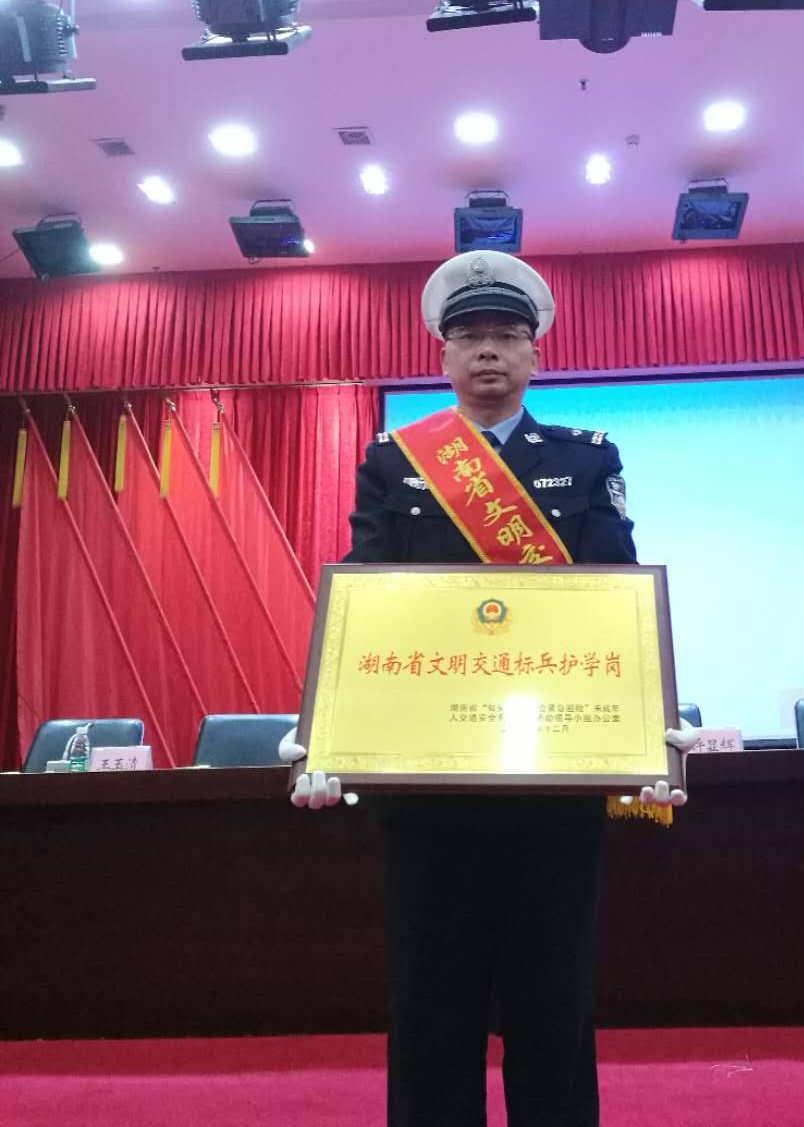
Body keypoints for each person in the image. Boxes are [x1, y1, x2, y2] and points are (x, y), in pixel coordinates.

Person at [282, 251, 696, 1127]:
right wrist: (327, 723)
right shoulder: (396, 461)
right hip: (426, 783)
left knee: (554, 999)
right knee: (429, 1001)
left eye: (507, 335)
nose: (487, 352)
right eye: (468, 336)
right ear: (443, 354)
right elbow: (368, 593)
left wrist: (647, 729)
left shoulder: (585, 458)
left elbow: (614, 595)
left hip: (555, 777)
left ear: (535, 352)